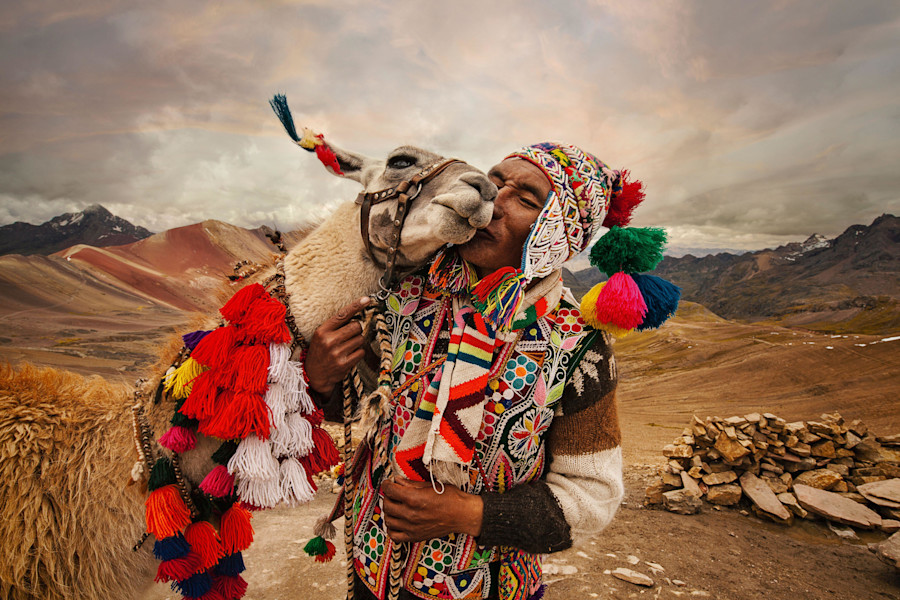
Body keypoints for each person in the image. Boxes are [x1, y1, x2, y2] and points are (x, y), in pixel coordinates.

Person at [307, 142, 627, 600]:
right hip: (372, 570)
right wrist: (322, 378)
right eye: (495, 182)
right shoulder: (406, 296)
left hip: (487, 588)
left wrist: (472, 515)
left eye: (526, 199)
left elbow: (591, 497)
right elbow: (361, 408)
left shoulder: (580, 347)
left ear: (560, 233)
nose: (492, 202)